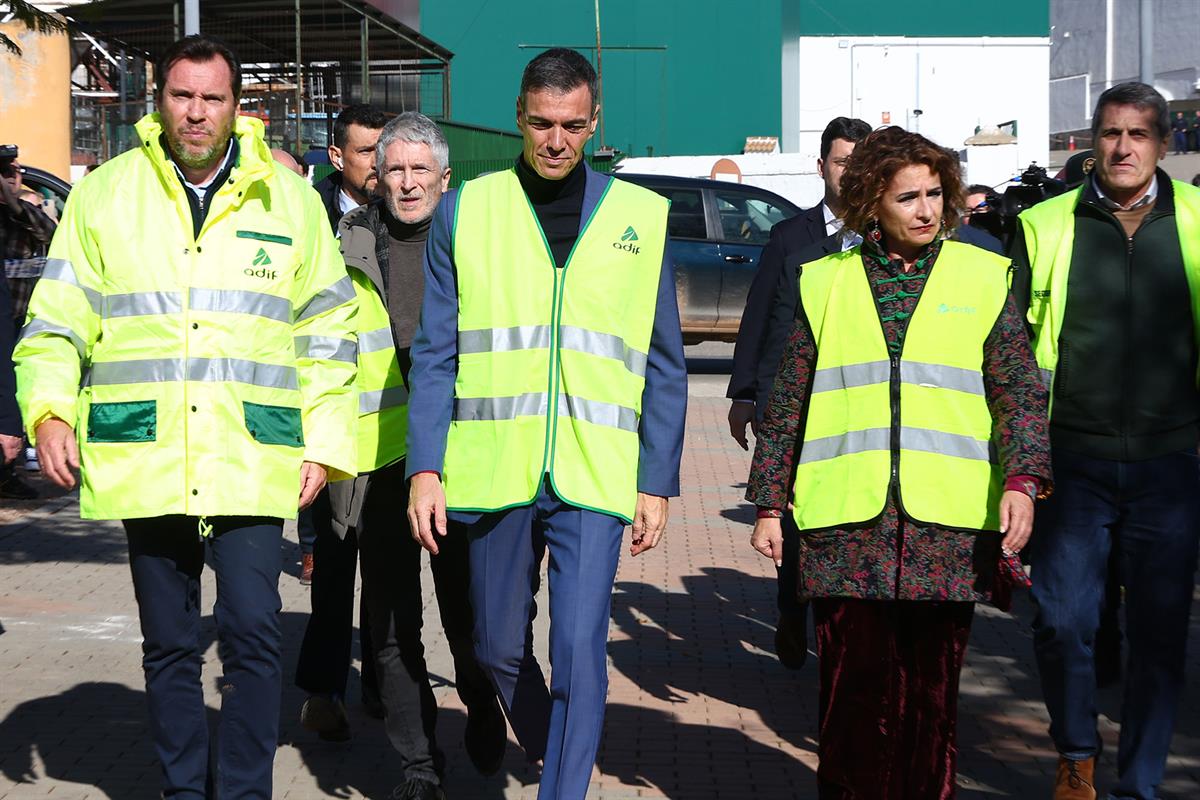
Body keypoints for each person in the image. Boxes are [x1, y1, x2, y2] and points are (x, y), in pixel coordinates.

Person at [13, 35, 358, 798]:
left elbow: (332, 332)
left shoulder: (289, 200)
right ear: (158, 100)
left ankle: (243, 791)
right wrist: (49, 411)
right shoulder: (107, 195)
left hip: (251, 454)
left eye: (212, 98)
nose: (196, 112)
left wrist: (327, 442)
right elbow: (57, 319)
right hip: (149, 451)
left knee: (253, 633)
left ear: (238, 107)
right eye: (182, 96)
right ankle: (181, 790)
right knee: (169, 644)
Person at [406, 47, 687, 800]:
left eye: (571, 125)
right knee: (496, 648)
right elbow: (435, 354)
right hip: (494, 466)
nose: (556, 140)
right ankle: (557, 742)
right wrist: (425, 468)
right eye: (541, 123)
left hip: (595, 472)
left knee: (578, 650)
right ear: (519, 119)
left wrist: (656, 479)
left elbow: (664, 360)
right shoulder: (466, 210)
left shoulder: (641, 217)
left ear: (595, 122)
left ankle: (564, 786)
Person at [748, 125, 1050, 800]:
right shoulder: (824, 282)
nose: (926, 210)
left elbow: (1018, 390)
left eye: (935, 193)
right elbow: (790, 398)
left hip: (947, 531)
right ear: (870, 205)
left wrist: (1024, 480)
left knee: (929, 711)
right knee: (851, 707)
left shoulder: (982, 276)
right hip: (846, 532)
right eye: (908, 197)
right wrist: (769, 503)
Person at [1011, 81, 1200, 800]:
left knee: (1160, 635)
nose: (1123, 147)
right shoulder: (1045, 225)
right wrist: (1020, 462)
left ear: (1163, 144)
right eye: (1111, 132)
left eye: (1139, 134)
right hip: (1071, 461)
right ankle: (1076, 755)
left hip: (1170, 463)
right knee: (1062, 621)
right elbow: (1012, 352)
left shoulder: (1196, 221)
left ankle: (1140, 784)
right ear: (1093, 140)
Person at [326, 110, 506, 800]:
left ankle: (481, 702)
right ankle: (419, 767)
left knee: (469, 614)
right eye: (394, 169)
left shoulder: (478, 240)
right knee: (392, 624)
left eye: (419, 170)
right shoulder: (345, 243)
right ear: (376, 176)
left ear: (445, 177)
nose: (406, 183)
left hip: (461, 458)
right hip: (379, 461)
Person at [726, 116, 872, 670]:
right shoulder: (791, 237)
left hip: (854, 407)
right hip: (796, 405)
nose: (850, 173)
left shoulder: (885, 237)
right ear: (821, 167)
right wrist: (745, 394)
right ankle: (792, 606)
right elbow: (760, 318)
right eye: (841, 162)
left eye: (860, 163)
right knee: (793, 519)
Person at [294, 104, 387, 732]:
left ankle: (383, 687)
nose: (380, 165)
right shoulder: (308, 218)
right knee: (332, 567)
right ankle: (324, 691)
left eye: (386, 150)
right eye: (365, 152)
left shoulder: (405, 214)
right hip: (328, 428)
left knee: (386, 575)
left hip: (390, 429)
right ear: (337, 157)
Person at [0, 146, 55, 499]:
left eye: (14, 172)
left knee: (14, 393)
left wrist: (12, 202)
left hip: (20, 320)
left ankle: (7, 473)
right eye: (3, 172)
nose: (9, 178)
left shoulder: (24, 213)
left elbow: (50, 233)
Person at [315, 104, 388, 232]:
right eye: (365, 151)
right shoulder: (310, 212)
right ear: (337, 158)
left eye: (383, 151)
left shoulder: (410, 209)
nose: (377, 163)